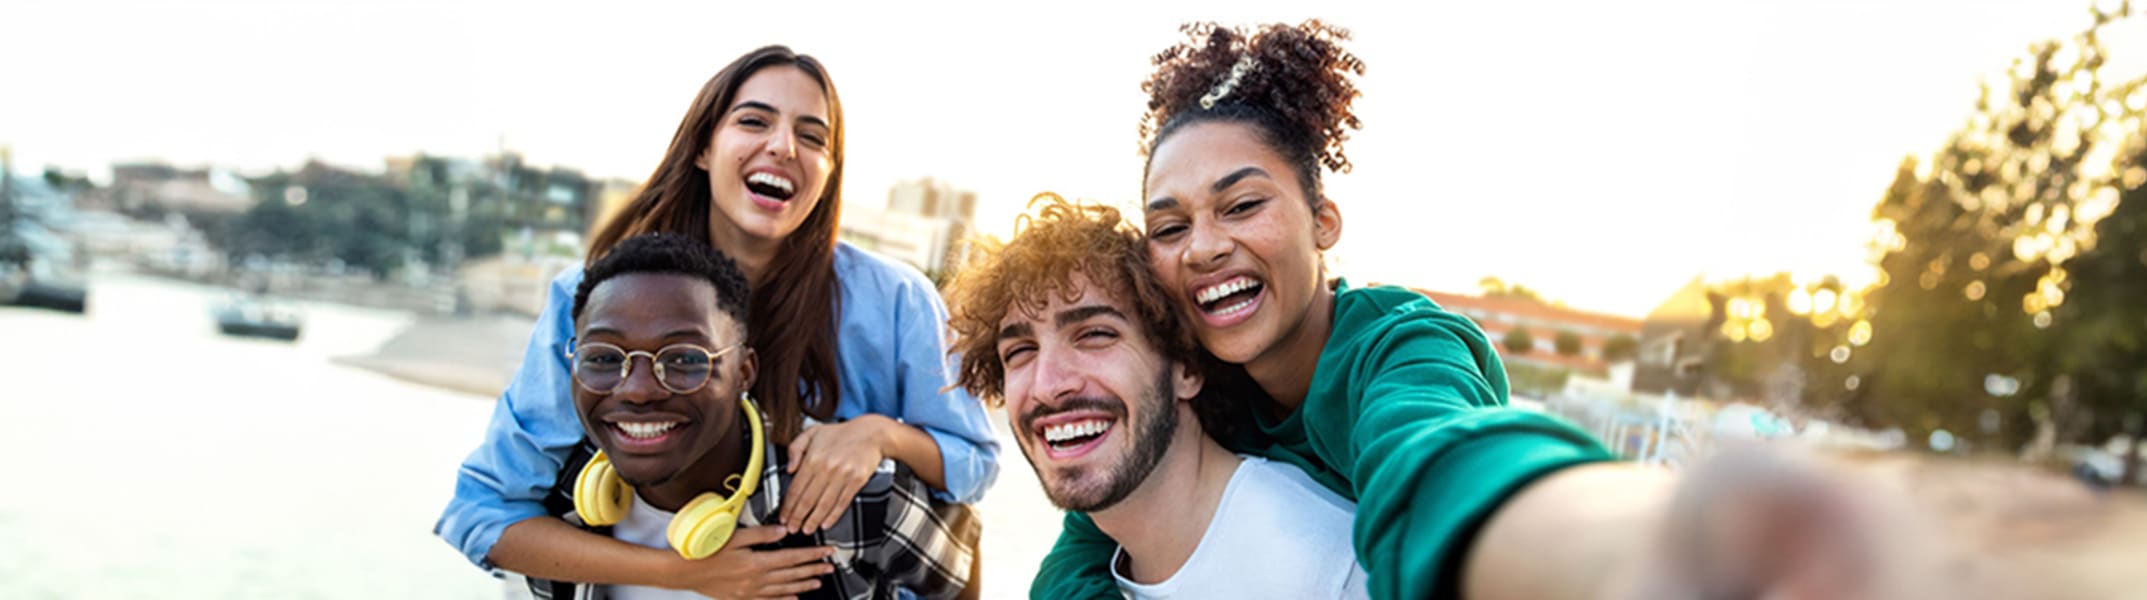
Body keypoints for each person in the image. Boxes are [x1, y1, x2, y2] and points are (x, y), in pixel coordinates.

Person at [1032, 22, 1635, 599]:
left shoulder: (1401, 348)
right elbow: (1077, 555)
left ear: (1322, 221)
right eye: (1169, 226)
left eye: (1241, 205)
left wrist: (1581, 543)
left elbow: (1436, 456)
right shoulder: (1195, 383)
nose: (1204, 246)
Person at [436, 45, 999, 598]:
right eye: (754, 121)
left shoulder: (896, 298)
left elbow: (974, 469)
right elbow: (483, 513)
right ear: (704, 147)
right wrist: (680, 573)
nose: (782, 147)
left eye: (811, 136)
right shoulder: (591, 296)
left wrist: (878, 435)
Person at [946, 195, 1368, 599]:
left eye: (1095, 334)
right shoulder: (1110, 566)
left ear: (1187, 367)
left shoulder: (1334, 571)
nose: (1047, 385)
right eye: (1020, 352)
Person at [529, 232, 976, 599]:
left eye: (684, 360)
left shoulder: (857, 495)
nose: (639, 390)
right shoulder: (563, 509)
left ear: (744, 372)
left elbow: (962, 560)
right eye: (604, 358)